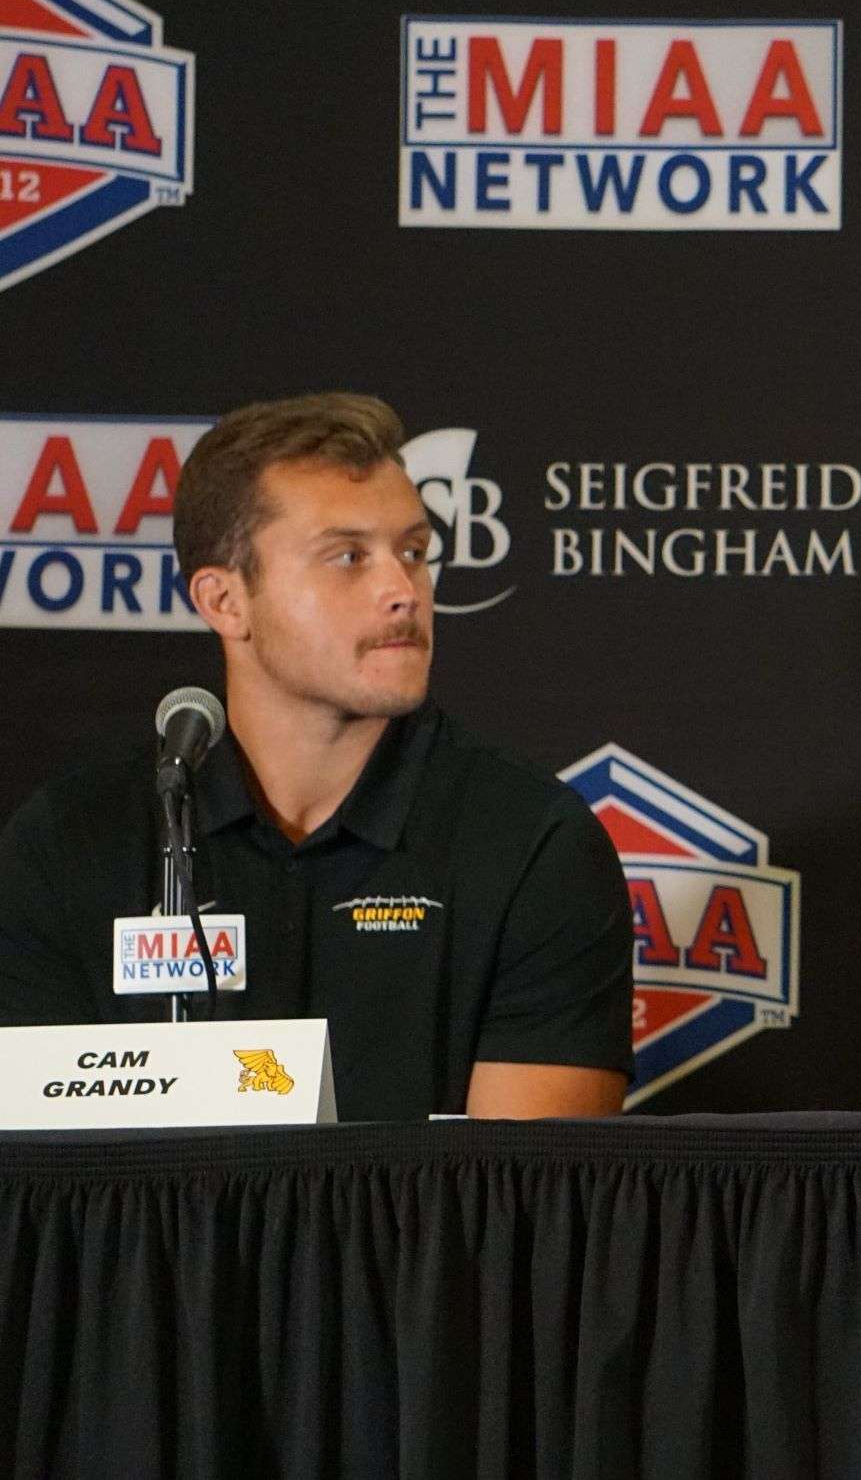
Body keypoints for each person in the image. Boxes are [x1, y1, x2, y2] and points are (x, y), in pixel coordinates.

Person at [0, 393, 632, 1120]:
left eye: (414, 552)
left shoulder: (532, 844)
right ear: (224, 600)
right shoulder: (69, 845)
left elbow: (524, 1203)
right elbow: (40, 1190)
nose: (404, 591)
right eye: (347, 557)